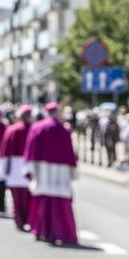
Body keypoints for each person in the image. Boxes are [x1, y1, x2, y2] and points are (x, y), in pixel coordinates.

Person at [23, 102, 79, 245]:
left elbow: (31, 150)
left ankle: (41, 230)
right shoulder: (64, 130)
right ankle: (62, 233)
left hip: (42, 170)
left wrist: (30, 170)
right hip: (61, 172)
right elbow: (70, 154)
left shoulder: (37, 127)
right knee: (60, 203)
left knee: (42, 201)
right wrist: (72, 171)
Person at [0, 104, 33, 231]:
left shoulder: (12, 129)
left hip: (14, 166)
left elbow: (4, 151)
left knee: (16, 198)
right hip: (29, 166)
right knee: (28, 197)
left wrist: (3, 169)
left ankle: (19, 220)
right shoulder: (34, 129)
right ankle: (29, 219)